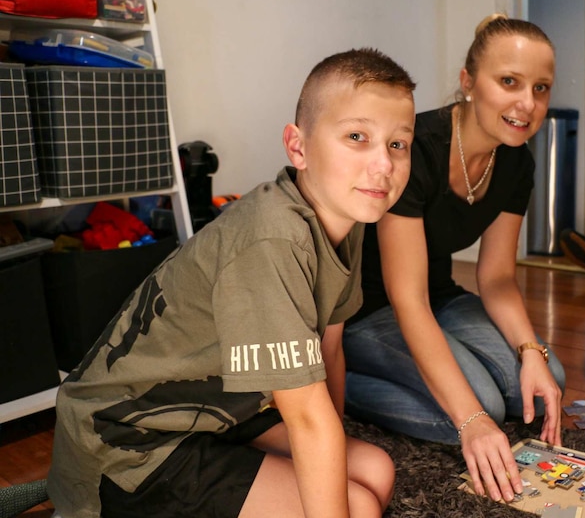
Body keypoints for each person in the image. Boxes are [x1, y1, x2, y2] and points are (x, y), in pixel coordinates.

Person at [47, 48, 417, 518]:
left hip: (216, 413)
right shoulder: (270, 239)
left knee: (374, 471)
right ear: (298, 146)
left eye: (397, 144)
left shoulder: (347, 212)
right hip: (127, 443)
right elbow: (304, 416)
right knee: (357, 506)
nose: (382, 165)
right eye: (357, 137)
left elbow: (330, 350)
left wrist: (331, 453)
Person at [342, 14, 566, 504]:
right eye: (509, 81)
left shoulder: (517, 161)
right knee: (478, 406)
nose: (527, 104)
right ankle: (336, 382)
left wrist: (531, 353)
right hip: (370, 309)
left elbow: (499, 277)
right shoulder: (415, 149)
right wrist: (473, 421)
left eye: (541, 88)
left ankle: (466, 390)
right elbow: (408, 300)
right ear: (469, 82)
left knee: (544, 380)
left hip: (438, 296)